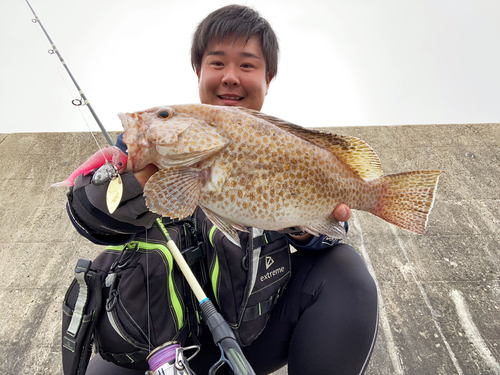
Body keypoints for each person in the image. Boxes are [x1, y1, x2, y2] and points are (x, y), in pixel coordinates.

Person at [67, 5, 378, 375]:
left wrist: (303, 224)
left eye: (247, 65)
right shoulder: (142, 149)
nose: (231, 77)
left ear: (268, 77)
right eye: (217, 63)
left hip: (251, 340)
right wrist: (130, 181)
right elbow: (90, 216)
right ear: (198, 71)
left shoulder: (284, 146)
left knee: (344, 269)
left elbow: (332, 233)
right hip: (155, 346)